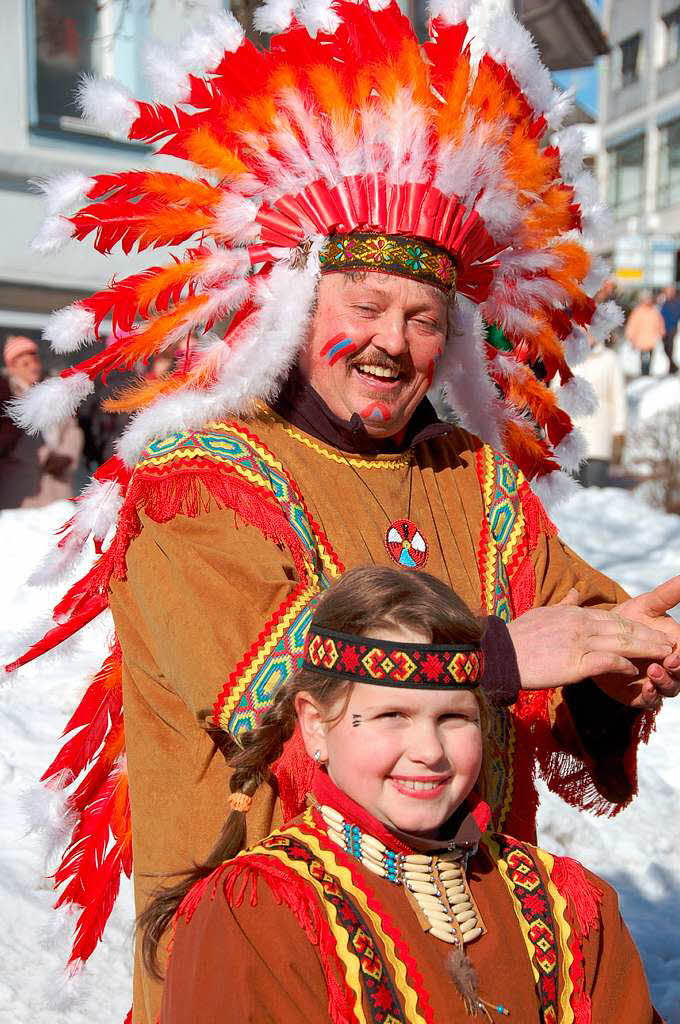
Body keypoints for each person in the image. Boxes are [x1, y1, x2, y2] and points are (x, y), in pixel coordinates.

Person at [7, 2, 680, 1020]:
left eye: (421, 319)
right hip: (263, 952)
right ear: (295, 309)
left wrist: (620, 669)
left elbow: (570, 627)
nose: (392, 342)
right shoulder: (199, 476)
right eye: (363, 306)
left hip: (471, 957)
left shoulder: (473, 477)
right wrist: (496, 656)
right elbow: (262, 685)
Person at [153, 567, 660, 1023]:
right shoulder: (260, 914)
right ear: (315, 726)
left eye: (453, 717)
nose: (428, 751)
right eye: (391, 716)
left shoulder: (569, 905)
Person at [0, 335, 82, 508]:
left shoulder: (55, 390)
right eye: (25, 364)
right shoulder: (6, 394)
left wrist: (66, 455)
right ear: (12, 368)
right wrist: (45, 455)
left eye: (35, 360)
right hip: (19, 485)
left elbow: (72, 429)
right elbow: (12, 434)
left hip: (57, 480)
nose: (33, 367)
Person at [573, 331, 626, 487]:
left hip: (600, 436)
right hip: (572, 438)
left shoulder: (610, 360)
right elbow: (557, 394)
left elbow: (618, 397)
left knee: (595, 490)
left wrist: (619, 429)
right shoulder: (568, 359)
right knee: (571, 498)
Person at [624, 291, 666, 377]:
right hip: (641, 338)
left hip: (651, 338)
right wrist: (630, 335)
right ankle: (644, 372)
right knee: (643, 356)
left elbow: (659, 322)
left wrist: (661, 331)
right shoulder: (638, 311)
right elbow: (632, 324)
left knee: (650, 356)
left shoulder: (654, 311)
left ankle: (647, 371)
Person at [660, 285, 680, 375]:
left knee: (670, 348)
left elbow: (676, 314)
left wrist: (673, 321)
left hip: (672, 328)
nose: (667, 294)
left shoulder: (677, 302)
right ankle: (673, 366)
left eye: (669, 292)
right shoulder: (664, 302)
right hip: (663, 328)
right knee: (665, 348)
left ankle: (672, 368)